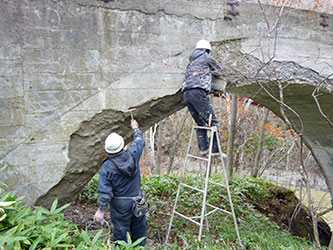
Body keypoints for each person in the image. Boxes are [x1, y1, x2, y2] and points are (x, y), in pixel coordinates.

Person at [93, 119, 146, 246]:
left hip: (120, 205)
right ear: (122, 146)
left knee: (121, 232)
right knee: (139, 231)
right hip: (138, 199)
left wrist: (101, 210)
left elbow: (105, 192)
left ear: (107, 151)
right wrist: (135, 128)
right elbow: (139, 141)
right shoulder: (133, 154)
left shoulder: (107, 167)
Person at [182, 39, 223, 155]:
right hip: (198, 92)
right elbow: (220, 72)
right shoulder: (207, 57)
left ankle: (204, 149)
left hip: (186, 93)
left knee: (201, 122)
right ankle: (215, 151)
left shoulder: (191, 62)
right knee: (214, 122)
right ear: (206, 50)